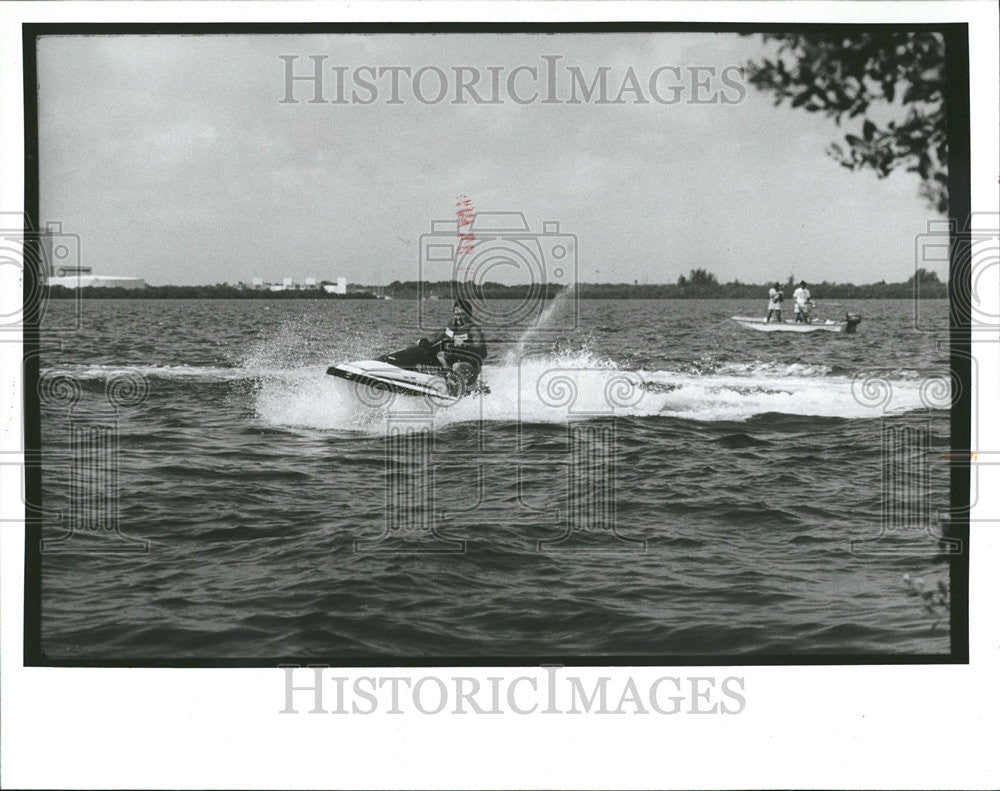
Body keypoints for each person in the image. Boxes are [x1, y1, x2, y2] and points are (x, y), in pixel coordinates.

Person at [423, 298, 487, 387]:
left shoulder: (473, 330)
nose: (458, 318)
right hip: (452, 364)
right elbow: (437, 338)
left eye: (462, 315)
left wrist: (465, 346)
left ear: (470, 315)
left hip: (470, 367)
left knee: (457, 366)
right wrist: (423, 342)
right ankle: (446, 381)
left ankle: (457, 387)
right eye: (456, 315)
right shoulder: (452, 329)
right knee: (439, 355)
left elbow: (483, 352)